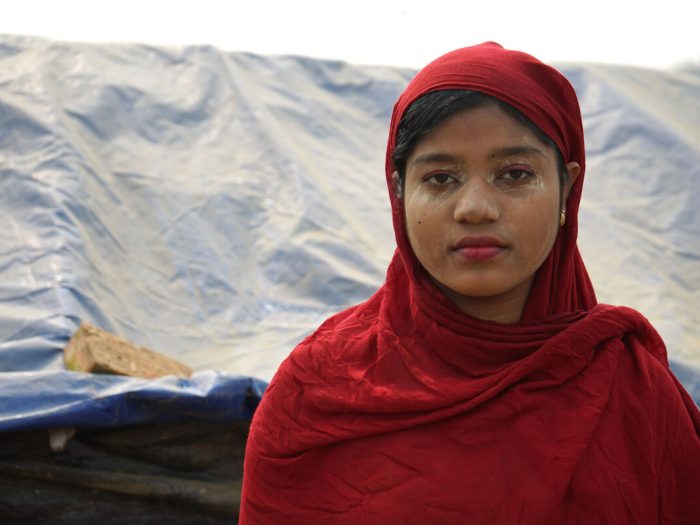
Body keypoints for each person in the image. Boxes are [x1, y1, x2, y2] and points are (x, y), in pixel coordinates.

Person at [239, 42, 700, 524]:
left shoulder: (636, 392)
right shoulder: (318, 390)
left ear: (568, 186)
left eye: (515, 174)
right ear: (398, 193)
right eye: (440, 179)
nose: (476, 207)